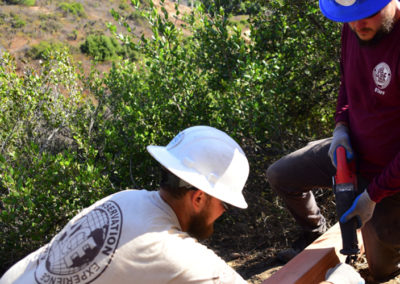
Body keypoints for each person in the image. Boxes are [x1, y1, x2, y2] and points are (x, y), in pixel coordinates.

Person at [0, 125, 251, 284]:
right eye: (225, 205)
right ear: (198, 198)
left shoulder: (123, 197)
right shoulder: (176, 254)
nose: (222, 214)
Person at [266, 0, 400, 282]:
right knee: (281, 175)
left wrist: (373, 194)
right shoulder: (354, 27)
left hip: (392, 177)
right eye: (350, 17)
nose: (357, 24)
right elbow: (347, 84)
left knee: (380, 272)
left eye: (366, 15)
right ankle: (315, 237)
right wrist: (341, 128)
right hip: (352, 152)